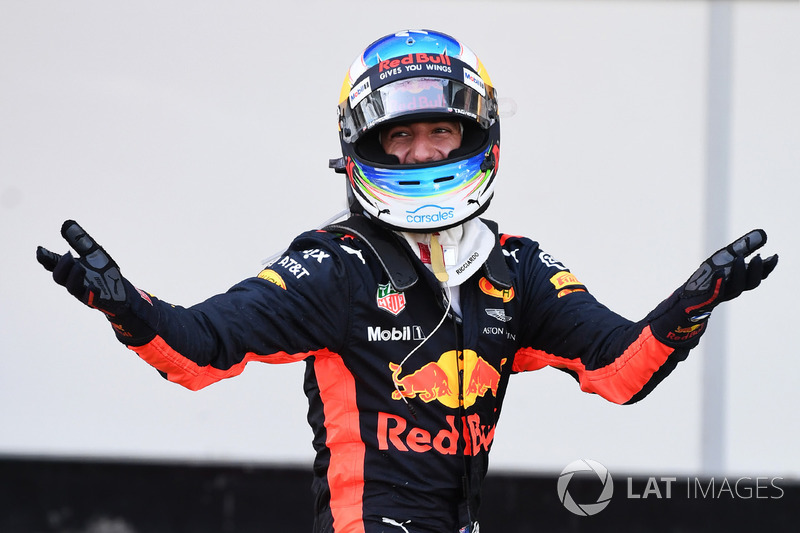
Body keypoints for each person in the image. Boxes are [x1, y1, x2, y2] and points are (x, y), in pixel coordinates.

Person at [36, 29, 778, 533]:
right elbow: (201, 349)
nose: (422, 152)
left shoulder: (516, 266)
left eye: (441, 132)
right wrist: (125, 306)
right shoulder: (333, 265)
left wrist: (691, 306)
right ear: (365, 143)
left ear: (475, 134)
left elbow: (620, 369)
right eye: (400, 134)